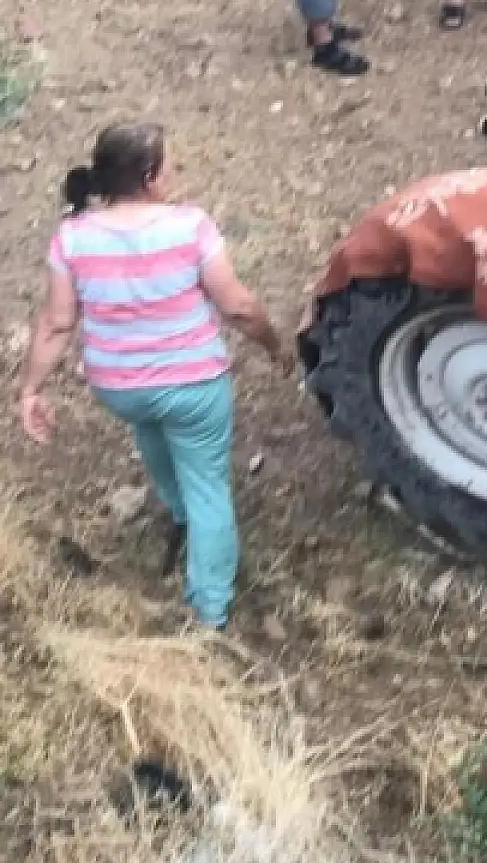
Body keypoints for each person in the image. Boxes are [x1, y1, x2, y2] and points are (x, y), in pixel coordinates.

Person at [16, 123, 285, 629]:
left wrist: (30, 389)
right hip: (193, 386)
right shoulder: (190, 227)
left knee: (152, 435)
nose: (174, 174)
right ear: (148, 176)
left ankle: (179, 519)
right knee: (209, 484)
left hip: (120, 387)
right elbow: (239, 306)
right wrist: (274, 345)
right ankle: (208, 611)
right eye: (169, 166)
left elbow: (56, 322)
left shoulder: (72, 236)